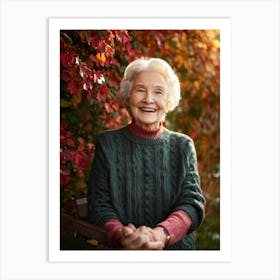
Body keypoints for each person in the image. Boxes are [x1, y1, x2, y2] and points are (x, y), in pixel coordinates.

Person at [87, 57, 205, 250]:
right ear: (128, 95)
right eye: (140, 90)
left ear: (168, 101)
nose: (148, 99)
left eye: (158, 92)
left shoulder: (183, 145)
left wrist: (161, 234)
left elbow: (191, 204)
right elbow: (99, 204)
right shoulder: (107, 144)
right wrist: (122, 235)